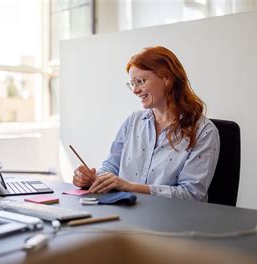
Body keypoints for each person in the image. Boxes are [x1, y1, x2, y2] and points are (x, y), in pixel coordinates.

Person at [72, 46, 220, 201]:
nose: (135, 90)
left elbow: (191, 195)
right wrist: (92, 178)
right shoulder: (133, 121)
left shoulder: (204, 131)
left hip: (172, 221)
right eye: (132, 84)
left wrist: (130, 186)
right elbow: (111, 168)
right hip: (126, 213)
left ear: (167, 78)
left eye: (140, 81)